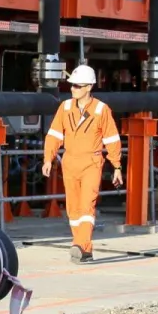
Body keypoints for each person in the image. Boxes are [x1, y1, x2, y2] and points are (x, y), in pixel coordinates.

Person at [41, 64, 123, 263]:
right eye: (72, 85)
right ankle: (83, 247)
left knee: (87, 206)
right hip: (69, 162)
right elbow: (54, 135)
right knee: (73, 209)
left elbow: (112, 139)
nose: (73, 89)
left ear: (89, 87)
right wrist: (47, 159)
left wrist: (117, 166)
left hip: (91, 162)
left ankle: (81, 245)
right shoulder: (65, 107)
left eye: (77, 86)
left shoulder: (101, 110)